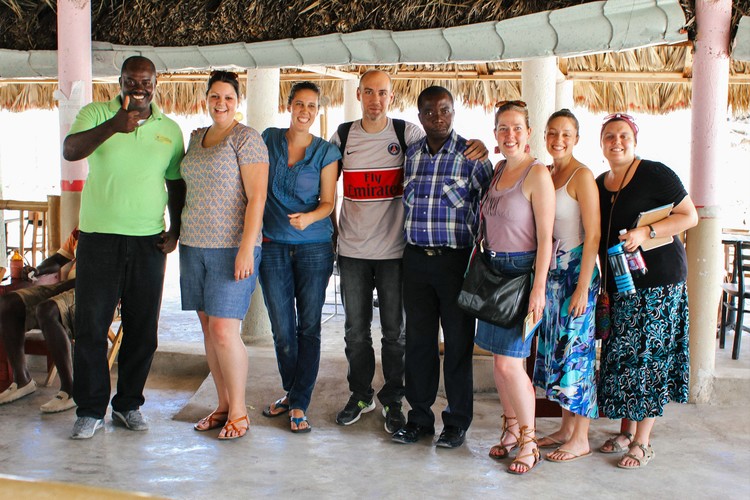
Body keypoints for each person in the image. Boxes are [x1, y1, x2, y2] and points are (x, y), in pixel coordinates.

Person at [329, 70, 488, 433]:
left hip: (415, 255)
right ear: (359, 94)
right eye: (368, 92)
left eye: (382, 93)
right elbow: (321, 177)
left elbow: (487, 201)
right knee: (370, 335)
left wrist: (480, 145)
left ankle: (415, 408)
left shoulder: (417, 138)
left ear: (391, 96)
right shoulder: (352, 137)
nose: (375, 99)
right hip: (373, 252)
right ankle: (379, 401)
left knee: (406, 336)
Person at [62, 56, 186, 439]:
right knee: (91, 327)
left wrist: (176, 227)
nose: (139, 87)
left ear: (155, 83)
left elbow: (176, 183)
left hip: (149, 241)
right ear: (119, 82)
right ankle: (90, 410)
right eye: (131, 80)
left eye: (146, 81)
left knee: (143, 329)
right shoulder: (95, 113)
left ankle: (128, 405)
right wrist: (115, 125)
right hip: (99, 239)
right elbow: (71, 150)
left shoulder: (170, 129)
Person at [392, 86, 493, 450]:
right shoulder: (412, 155)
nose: (439, 118)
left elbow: (491, 205)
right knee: (418, 344)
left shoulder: (473, 157)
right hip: (416, 260)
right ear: (420, 117)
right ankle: (418, 418)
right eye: (431, 112)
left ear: (454, 112)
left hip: (456, 263)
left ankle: (456, 421)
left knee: (458, 345)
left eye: (445, 111)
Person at [595, 112, 697, 469]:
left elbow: (689, 216)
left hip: (660, 283)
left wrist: (646, 234)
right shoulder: (598, 183)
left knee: (649, 360)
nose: (617, 142)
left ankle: (642, 441)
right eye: (609, 136)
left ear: (634, 140)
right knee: (623, 359)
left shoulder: (656, 173)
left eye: (623, 135)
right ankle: (624, 430)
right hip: (620, 286)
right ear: (601, 143)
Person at [180, 71, 268, 440]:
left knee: (223, 329)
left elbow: (257, 197)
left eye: (228, 97)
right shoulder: (196, 137)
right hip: (192, 245)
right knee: (207, 328)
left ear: (238, 100)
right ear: (206, 98)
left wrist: (247, 247)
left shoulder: (247, 139)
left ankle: (239, 410)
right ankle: (220, 404)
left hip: (233, 247)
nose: (221, 103)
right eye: (215, 96)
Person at [475, 100, 555, 474]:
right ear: (495, 135)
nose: (510, 135)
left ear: (528, 133)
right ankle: (509, 430)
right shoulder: (497, 171)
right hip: (493, 271)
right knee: (498, 360)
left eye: (517, 128)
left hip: (523, 275)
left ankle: (529, 440)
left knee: (510, 364)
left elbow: (545, 238)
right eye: (503, 129)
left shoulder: (536, 174)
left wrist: (538, 290)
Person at [259, 81, 340, 434]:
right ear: (289, 106)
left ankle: (298, 402)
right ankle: (294, 393)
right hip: (273, 245)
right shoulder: (268, 139)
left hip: (314, 247)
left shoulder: (325, 152)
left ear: (318, 111)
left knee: (308, 326)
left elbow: (328, 202)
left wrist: (309, 218)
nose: (304, 111)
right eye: (299, 104)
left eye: (311, 106)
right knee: (281, 328)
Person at [531, 109, 600, 462]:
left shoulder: (582, 175)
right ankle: (565, 428)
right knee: (557, 354)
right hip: (552, 274)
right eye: (552, 133)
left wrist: (582, 288)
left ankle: (582, 437)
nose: (558, 140)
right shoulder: (546, 173)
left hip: (576, 273)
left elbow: (593, 236)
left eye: (566, 134)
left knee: (577, 356)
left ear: (576, 138)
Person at [0, 229, 79, 412]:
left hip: (93, 291)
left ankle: (70, 389)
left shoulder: (112, 228)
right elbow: (59, 259)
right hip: (67, 286)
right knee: (8, 303)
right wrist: (37, 270)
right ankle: (22, 380)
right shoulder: (80, 230)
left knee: (46, 310)